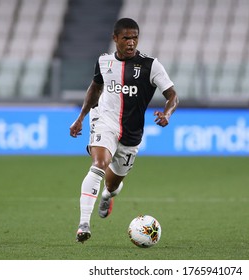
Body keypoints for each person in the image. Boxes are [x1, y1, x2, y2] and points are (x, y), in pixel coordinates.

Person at [69, 18, 179, 243]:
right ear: (115, 39)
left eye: (135, 37)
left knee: (112, 183)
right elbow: (95, 88)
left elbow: (172, 95)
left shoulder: (151, 65)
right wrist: (81, 117)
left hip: (131, 133)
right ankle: (83, 224)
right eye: (126, 38)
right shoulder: (103, 62)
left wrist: (167, 114)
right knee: (98, 164)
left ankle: (108, 196)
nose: (131, 42)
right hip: (104, 121)